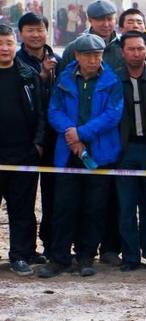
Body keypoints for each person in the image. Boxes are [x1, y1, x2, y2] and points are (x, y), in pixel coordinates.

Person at [38, 33, 123, 279]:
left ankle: (86, 256)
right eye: (87, 55)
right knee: (63, 207)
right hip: (68, 154)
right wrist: (71, 134)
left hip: (100, 153)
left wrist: (81, 133)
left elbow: (112, 115)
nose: (93, 60)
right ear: (76, 56)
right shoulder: (64, 79)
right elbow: (54, 111)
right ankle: (59, 258)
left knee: (94, 208)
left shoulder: (112, 81)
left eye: (97, 55)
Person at [115, 30, 146, 272]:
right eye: (131, 49)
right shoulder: (114, 79)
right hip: (125, 151)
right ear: (122, 52)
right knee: (126, 207)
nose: (136, 53)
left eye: (140, 48)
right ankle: (131, 257)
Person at [0, 23, 46, 276]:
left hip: (23, 155)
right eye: (0, 44)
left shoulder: (28, 75)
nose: (4, 49)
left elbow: (40, 114)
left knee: (22, 209)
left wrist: (37, 145)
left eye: (8, 43)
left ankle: (20, 254)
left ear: (15, 44)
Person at [16, 12, 59, 263]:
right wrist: (40, 79)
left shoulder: (58, 61)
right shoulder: (14, 63)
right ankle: (25, 250)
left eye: (39, 29)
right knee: (24, 200)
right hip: (25, 144)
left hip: (54, 142)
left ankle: (51, 246)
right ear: (20, 34)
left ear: (47, 30)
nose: (35, 34)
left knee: (53, 198)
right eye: (30, 30)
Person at [58, 0, 122, 75]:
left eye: (110, 19)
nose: (106, 24)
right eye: (100, 19)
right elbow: (63, 80)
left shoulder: (123, 46)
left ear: (116, 19)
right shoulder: (74, 48)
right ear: (90, 20)